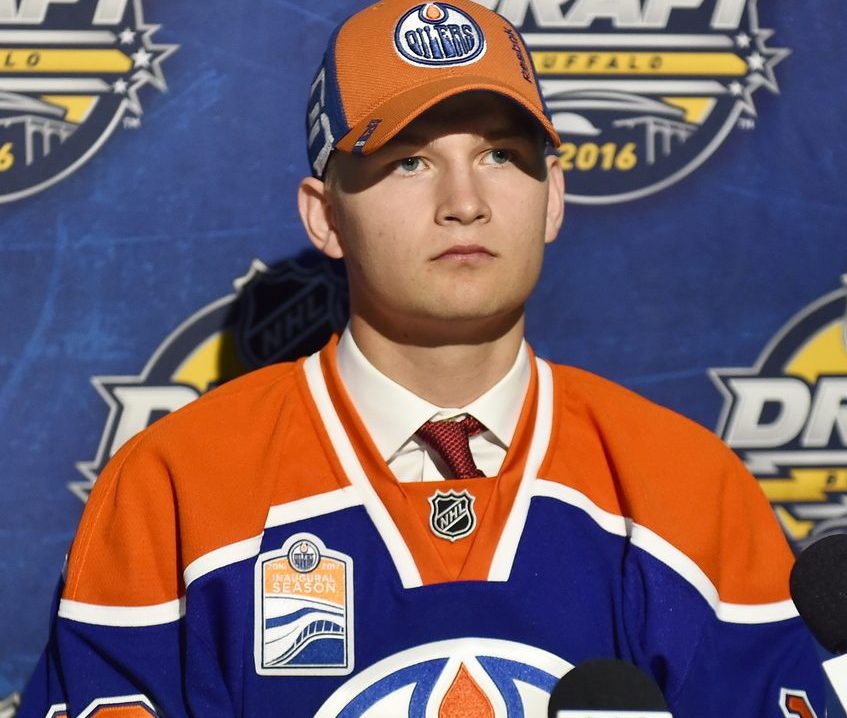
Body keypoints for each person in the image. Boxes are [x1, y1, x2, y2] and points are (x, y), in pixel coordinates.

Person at [19, 0, 824, 715]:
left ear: (553, 196)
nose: (464, 201)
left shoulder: (686, 487)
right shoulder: (173, 487)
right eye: (408, 159)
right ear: (325, 216)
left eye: (501, 156)